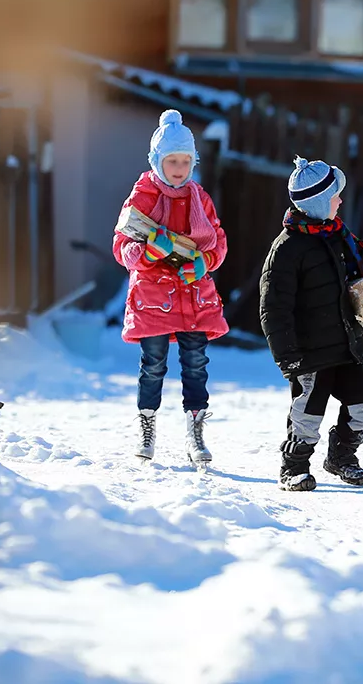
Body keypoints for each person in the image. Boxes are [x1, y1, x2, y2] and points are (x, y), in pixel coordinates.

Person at [259, 156, 363, 491]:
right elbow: (273, 307)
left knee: (362, 403)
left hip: (345, 344)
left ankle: (342, 457)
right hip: (309, 351)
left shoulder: (341, 236)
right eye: (335, 196)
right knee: (308, 413)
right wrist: (286, 353)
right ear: (319, 202)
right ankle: (294, 466)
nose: (341, 200)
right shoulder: (288, 249)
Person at [112, 110, 229, 465]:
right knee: (154, 365)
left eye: (185, 161)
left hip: (194, 296)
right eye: (171, 161)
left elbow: (218, 241)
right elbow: (122, 247)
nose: (179, 168)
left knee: (196, 364)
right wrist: (150, 251)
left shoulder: (200, 198)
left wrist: (205, 262)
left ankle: (195, 433)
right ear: (156, 161)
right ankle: (147, 428)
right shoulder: (142, 196)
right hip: (154, 300)